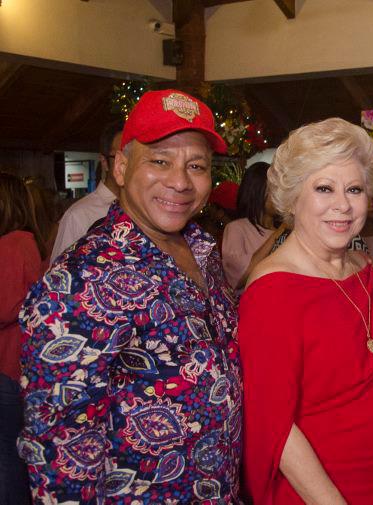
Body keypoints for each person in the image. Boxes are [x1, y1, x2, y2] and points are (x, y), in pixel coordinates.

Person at [18, 89, 242, 503]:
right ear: (121, 167)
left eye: (196, 165)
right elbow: (59, 451)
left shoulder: (203, 249)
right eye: (160, 161)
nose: (180, 181)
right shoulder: (82, 278)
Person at [238, 117, 373, 504]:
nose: (343, 205)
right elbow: (274, 424)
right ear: (292, 199)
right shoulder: (272, 292)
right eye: (324, 188)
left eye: (354, 189)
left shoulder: (364, 268)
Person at [0, 173, 44, 505]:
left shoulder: (11, 244)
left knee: (8, 459)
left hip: (8, 366)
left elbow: (6, 307)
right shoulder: (25, 240)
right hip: (17, 366)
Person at [50, 119, 124, 263]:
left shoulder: (146, 210)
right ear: (104, 162)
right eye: (118, 157)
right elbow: (58, 271)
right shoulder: (78, 215)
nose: (127, 163)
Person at [222, 162, 278, 289]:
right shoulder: (236, 229)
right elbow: (239, 276)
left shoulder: (286, 231)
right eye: (274, 191)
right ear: (257, 191)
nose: (280, 197)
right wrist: (279, 232)